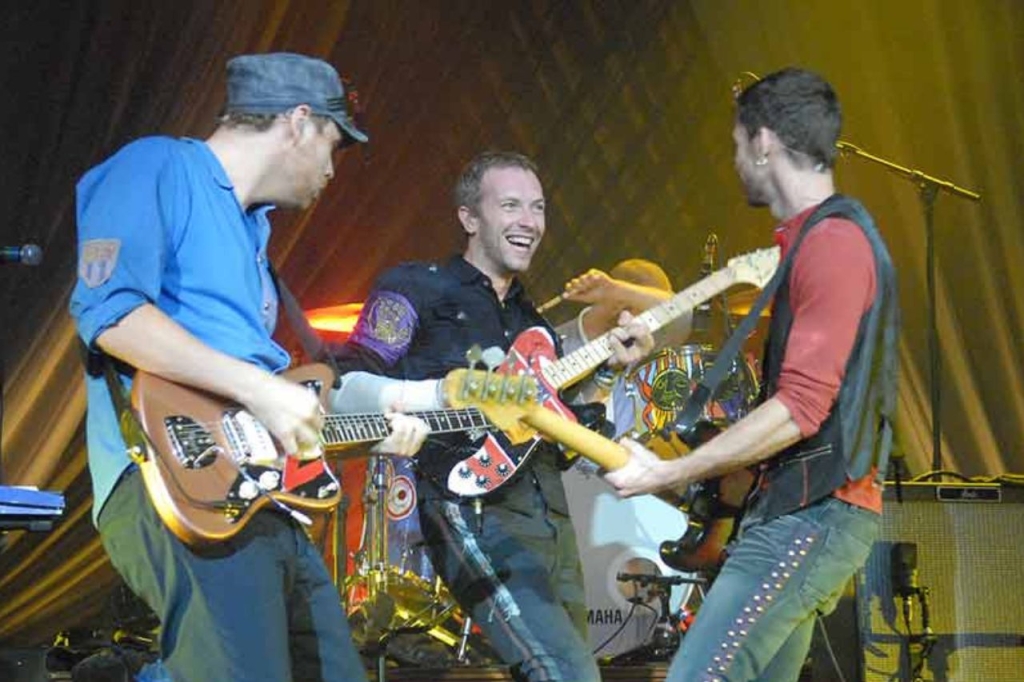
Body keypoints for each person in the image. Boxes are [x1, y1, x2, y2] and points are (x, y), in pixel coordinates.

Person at [70, 52, 428, 682]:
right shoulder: (157, 165)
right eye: (334, 145)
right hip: (171, 485)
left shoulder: (253, 235)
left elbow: (257, 414)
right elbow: (111, 315)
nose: (332, 170)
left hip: (263, 501)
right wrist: (260, 389)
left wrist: (371, 429)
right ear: (298, 122)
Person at [605, 67, 899, 681]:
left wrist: (672, 470)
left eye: (738, 144)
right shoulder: (813, 242)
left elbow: (801, 409)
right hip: (804, 515)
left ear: (764, 142)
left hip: (810, 518)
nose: (736, 160)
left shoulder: (834, 244)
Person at [327, 151, 653, 681]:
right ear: (469, 217)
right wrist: (440, 394)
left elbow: (563, 440)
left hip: (550, 515)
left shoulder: (534, 323)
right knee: (566, 673)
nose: (530, 221)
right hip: (471, 505)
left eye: (538, 207)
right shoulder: (416, 287)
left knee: (573, 672)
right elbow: (343, 386)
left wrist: (611, 374)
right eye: (511, 205)